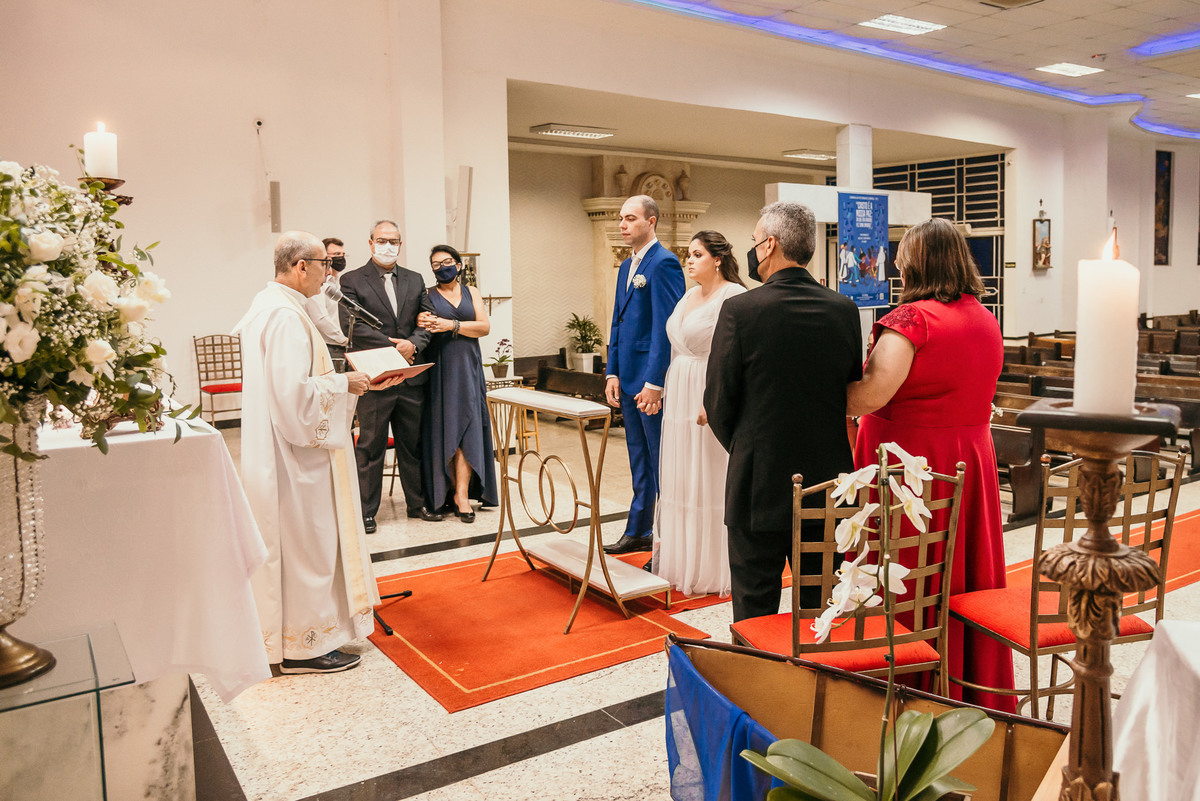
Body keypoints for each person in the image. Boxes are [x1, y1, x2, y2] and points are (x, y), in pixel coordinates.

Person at [847, 216, 1016, 712]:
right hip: (969, 459)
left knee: (911, 573)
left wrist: (819, 389)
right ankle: (968, 679)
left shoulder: (911, 321)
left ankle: (910, 682)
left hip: (912, 469)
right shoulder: (984, 318)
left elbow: (871, 395)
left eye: (902, 259)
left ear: (916, 264)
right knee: (962, 571)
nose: (898, 268)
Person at [234, 231, 396, 674]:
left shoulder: (271, 306)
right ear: (301, 266)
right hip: (296, 457)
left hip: (280, 450)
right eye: (324, 264)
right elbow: (293, 398)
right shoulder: (285, 317)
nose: (329, 273)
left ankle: (297, 637)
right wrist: (346, 383)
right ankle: (304, 647)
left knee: (297, 546)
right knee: (308, 546)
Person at [704, 202, 862, 623]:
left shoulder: (741, 310)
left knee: (754, 610)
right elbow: (849, 389)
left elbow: (718, 402)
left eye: (755, 240)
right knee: (820, 611)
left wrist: (748, 446)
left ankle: (757, 667)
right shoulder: (844, 310)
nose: (753, 248)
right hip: (827, 483)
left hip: (757, 481)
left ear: (769, 244)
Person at [652, 231, 746, 595]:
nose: (689, 261)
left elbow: (734, 354)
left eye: (697, 255)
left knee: (708, 472)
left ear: (717, 259)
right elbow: (676, 347)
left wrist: (715, 399)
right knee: (683, 474)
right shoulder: (689, 295)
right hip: (680, 387)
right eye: (688, 255)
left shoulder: (732, 296)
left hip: (709, 387)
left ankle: (713, 565)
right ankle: (683, 558)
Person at [339, 220, 443, 533]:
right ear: (371, 243)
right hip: (375, 379)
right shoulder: (351, 280)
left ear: (400, 244)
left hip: (411, 378)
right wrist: (397, 348)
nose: (388, 246)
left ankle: (417, 504)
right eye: (382, 240)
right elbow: (353, 326)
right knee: (370, 447)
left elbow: (427, 320)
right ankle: (367, 511)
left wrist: (414, 343)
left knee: (412, 446)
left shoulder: (415, 279)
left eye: (393, 241)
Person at [603, 195, 686, 555]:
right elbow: (618, 322)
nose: (622, 225)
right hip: (627, 376)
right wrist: (612, 371)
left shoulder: (664, 263)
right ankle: (638, 530)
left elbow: (666, 328)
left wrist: (656, 382)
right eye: (621, 218)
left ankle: (670, 540)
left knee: (660, 461)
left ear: (651, 222)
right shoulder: (626, 266)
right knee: (638, 458)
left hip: (651, 383)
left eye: (631, 218)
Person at [416, 245, 499, 522]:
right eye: (436, 264)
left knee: (468, 430)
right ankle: (446, 490)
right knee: (446, 429)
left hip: (468, 369)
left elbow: (484, 327)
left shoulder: (471, 292)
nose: (442, 267)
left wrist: (450, 325)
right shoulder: (426, 295)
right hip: (440, 369)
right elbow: (424, 325)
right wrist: (430, 322)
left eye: (447, 262)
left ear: (459, 265)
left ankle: (462, 495)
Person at [304, 236, 349, 368]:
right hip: (331, 347)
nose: (341, 258)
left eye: (343, 254)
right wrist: (344, 339)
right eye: (337, 254)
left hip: (344, 346)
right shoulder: (319, 284)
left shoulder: (339, 282)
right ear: (325, 258)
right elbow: (320, 319)